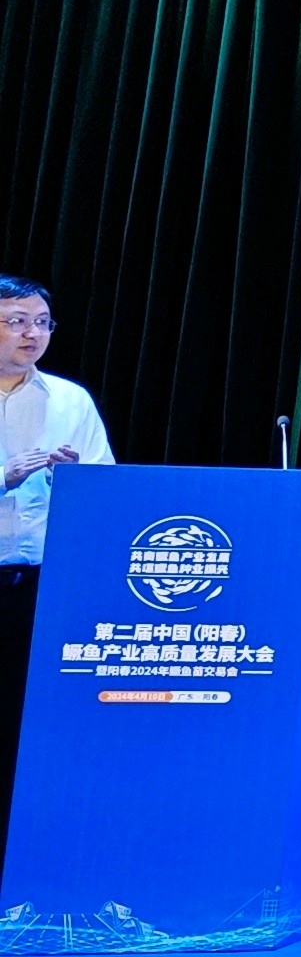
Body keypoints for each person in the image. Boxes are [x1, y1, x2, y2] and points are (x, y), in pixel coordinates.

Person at [0, 277, 114, 870]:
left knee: (30, 720)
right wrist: (4, 476)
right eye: (17, 321)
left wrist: (78, 481)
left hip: (45, 584)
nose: (32, 334)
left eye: (42, 322)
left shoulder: (71, 401)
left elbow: (108, 486)